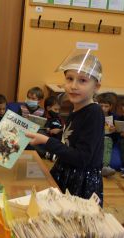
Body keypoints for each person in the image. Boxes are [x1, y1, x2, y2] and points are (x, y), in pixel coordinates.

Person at [26, 49, 105, 205]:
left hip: (81, 182)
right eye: (69, 79)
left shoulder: (94, 113)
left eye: (82, 80)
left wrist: (47, 141)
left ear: (96, 87)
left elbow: (81, 158)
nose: (73, 86)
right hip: (65, 172)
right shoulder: (75, 107)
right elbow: (71, 138)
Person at [96, 92, 117, 177]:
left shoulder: (114, 117)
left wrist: (115, 130)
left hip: (107, 137)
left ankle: (105, 166)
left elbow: (117, 134)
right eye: (101, 106)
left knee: (107, 143)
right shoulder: (94, 114)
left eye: (106, 106)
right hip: (95, 137)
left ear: (110, 107)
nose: (103, 108)